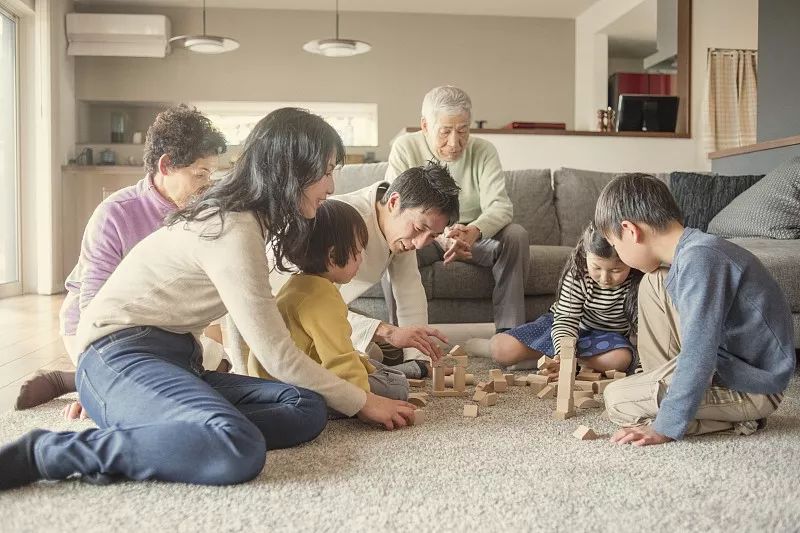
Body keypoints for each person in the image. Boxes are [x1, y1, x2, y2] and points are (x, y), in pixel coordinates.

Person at [0, 108, 415, 492]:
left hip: (178, 359)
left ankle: (166, 428)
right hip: (119, 355)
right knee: (236, 448)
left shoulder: (251, 223)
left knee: (305, 407)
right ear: (292, 172)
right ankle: (49, 453)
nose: (331, 185)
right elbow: (277, 354)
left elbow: (257, 324)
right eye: (325, 173)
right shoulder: (231, 228)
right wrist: (364, 402)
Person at [14, 104, 228, 416]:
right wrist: (97, 381)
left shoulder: (199, 211)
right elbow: (92, 305)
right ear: (166, 165)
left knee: (218, 362)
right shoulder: (115, 214)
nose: (208, 184)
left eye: (211, 174)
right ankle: (79, 378)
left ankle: (72, 379)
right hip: (98, 323)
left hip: (160, 324)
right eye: (200, 174)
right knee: (153, 387)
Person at [594, 173, 795, 446]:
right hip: (728, 364)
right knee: (654, 281)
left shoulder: (700, 259)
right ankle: (666, 388)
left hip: (752, 387)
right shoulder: (693, 251)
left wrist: (664, 426)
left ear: (631, 230)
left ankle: (733, 417)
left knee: (617, 400)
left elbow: (700, 351)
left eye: (615, 244)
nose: (617, 251)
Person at [384, 85, 530, 334]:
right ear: (425, 126)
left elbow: (500, 206)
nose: (455, 142)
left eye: (463, 130)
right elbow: (395, 209)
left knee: (516, 235)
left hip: (472, 239)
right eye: (445, 132)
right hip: (424, 238)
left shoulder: (483, 150)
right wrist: (440, 236)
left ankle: (510, 334)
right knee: (392, 242)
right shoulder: (405, 147)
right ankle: (398, 337)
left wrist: (473, 232)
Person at [250, 199, 409, 401]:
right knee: (398, 387)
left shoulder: (297, 284)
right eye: (358, 251)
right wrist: (366, 401)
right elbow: (340, 360)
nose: (361, 258)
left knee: (370, 363)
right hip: (290, 388)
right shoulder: (322, 299)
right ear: (333, 256)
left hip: (271, 380)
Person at [490, 223, 641, 374]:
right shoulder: (578, 273)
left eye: (616, 270)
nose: (605, 278)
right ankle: (563, 360)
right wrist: (563, 353)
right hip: (567, 327)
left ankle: (546, 359)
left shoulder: (638, 281)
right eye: (596, 268)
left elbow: (643, 329)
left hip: (607, 338)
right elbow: (566, 320)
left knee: (620, 359)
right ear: (585, 254)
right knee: (500, 347)